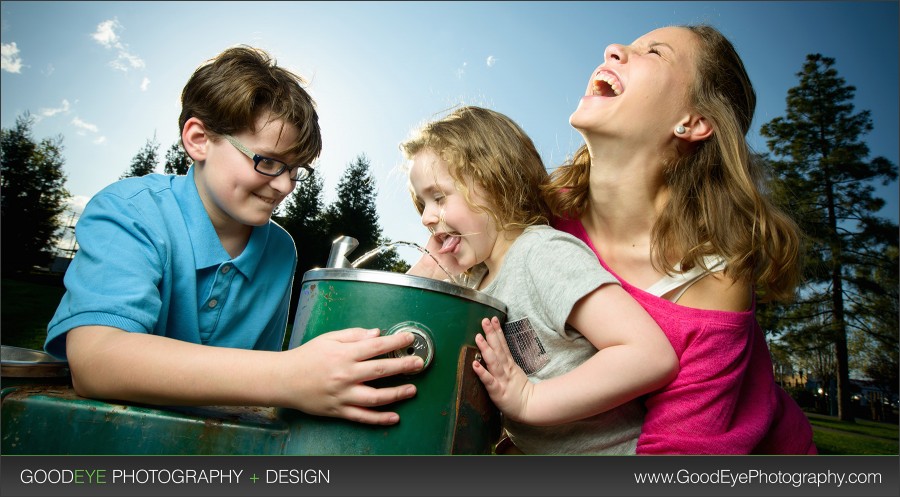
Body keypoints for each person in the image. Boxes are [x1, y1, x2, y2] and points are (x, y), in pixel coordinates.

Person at [44, 46, 423, 425]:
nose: (285, 186)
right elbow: (97, 362)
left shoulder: (279, 249)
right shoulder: (130, 210)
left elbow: (252, 398)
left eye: (295, 169)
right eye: (269, 161)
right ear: (198, 139)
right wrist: (290, 375)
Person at [546, 25, 817, 454]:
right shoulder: (543, 213)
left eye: (653, 52)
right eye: (627, 46)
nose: (612, 49)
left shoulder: (711, 280)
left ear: (693, 122)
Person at [404, 106, 678, 454]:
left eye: (439, 197)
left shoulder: (541, 254)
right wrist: (427, 275)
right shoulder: (474, 282)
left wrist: (530, 399)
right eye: (422, 204)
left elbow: (649, 355)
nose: (427, 217)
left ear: (493, 179)